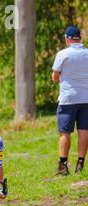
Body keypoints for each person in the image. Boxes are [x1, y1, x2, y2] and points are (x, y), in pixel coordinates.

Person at [52, 26, 88, 175]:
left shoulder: (63, 54)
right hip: (86, 98)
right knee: (84, 131)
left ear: (67, 38)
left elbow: (55, 78)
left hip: (68, 99)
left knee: (65, 132)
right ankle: (80, 164)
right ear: (79, 38)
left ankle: (63, 165)